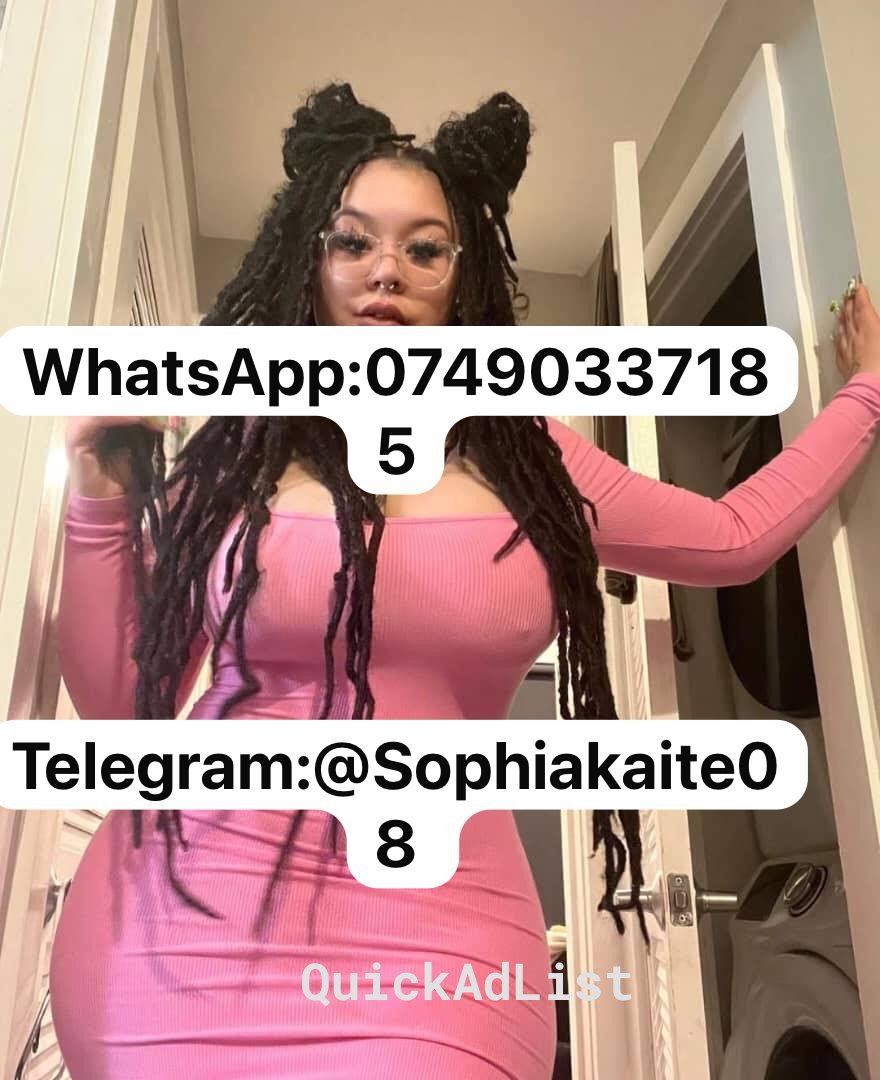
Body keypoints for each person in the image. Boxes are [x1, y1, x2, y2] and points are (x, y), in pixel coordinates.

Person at [49, 82, 880, 1079]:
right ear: (308, 260)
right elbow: (124, 714)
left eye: (425, 248)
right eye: (351, 241)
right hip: (178, 926)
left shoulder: (530, 456)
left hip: (443, 937)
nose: (385, 270)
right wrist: (98, 501)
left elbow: (733, 536)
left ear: (463, 277)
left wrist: (865, 395)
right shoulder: (238, 449)